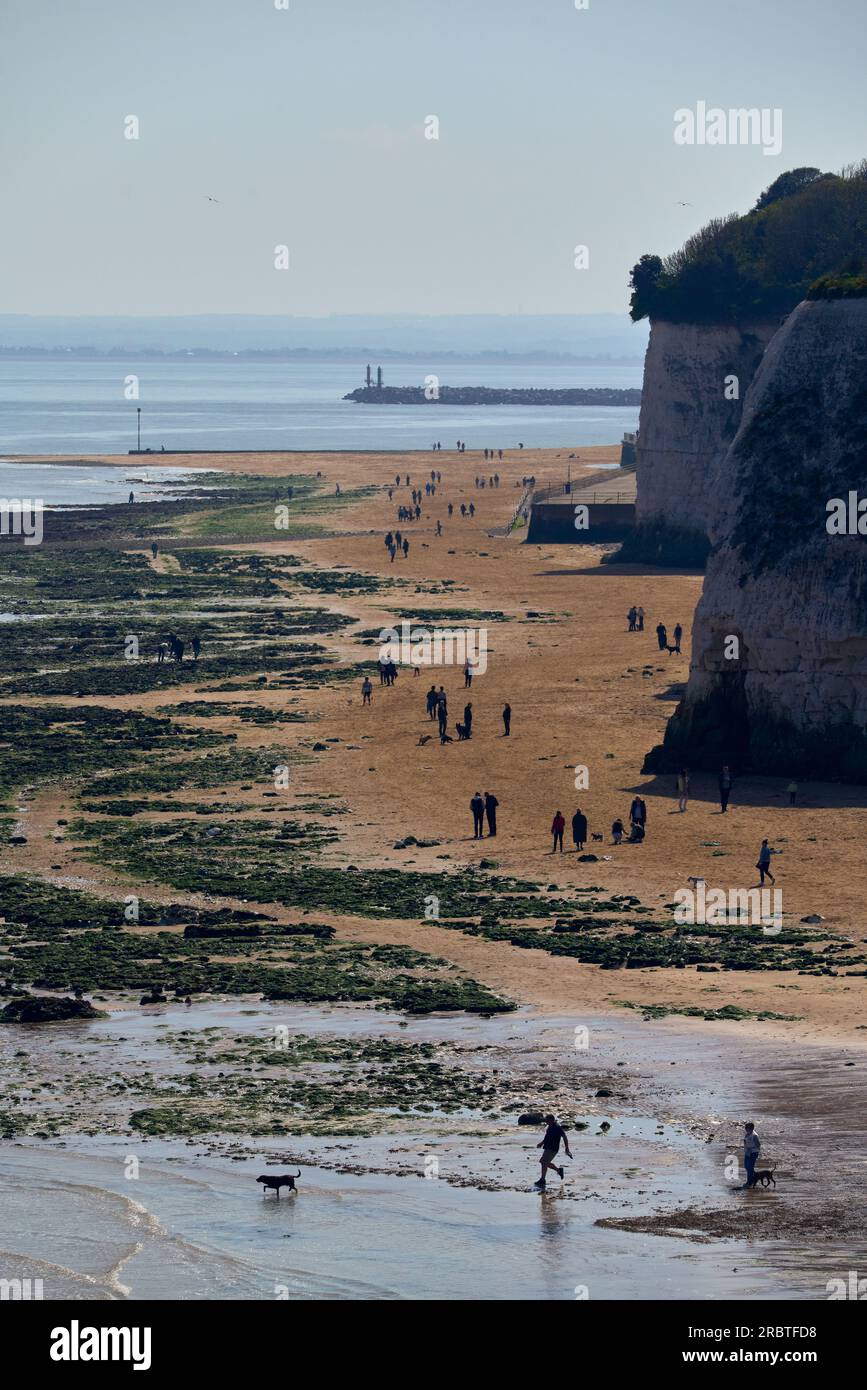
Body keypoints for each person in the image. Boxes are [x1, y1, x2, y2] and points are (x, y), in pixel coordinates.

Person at [535, 1114, 572, 1189]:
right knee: (543, 1162)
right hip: (547, 1147)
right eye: (546, 1120)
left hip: (553, 1149)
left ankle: (542, 1179)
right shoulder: (550, 1126)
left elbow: (564, 1137)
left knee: (544, 1162)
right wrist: (541, 1143)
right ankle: (559, 1170)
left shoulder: (557, 1127)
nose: (546, 1122)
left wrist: (567, 1148)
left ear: (552, 1120)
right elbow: (547, 1137)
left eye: (547, 1120)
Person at [743, 1122, 761, 1188]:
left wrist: (751, 1148)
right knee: (746, 1166)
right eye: (745, 1128)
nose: (745, 1129)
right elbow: (745, 1142)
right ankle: (755, 1177)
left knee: (750, 1167)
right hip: (747, 1152)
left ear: (751, 1128)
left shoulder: (754, 1135)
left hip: (753, 1152)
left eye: (747, 1128)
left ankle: (749, 1182)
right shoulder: (747, 1134)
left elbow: (758, 1145)